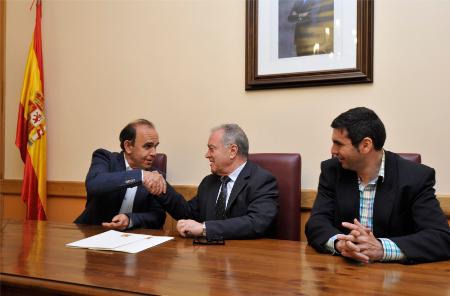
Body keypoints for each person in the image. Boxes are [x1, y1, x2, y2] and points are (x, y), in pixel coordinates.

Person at [305, 107, 450, 264]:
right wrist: (340, 244)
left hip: (398, 279)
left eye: (339, 144)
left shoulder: (416, 177)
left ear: (366, 145)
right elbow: (316, 223)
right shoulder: (332, 170)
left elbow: (440, 237)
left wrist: (381, 249)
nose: (332, 151)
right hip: (343, 273)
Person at [155, 124, 279, 240]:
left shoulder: (262, 181)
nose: (206, 155)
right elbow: (188, 212)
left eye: (211, 149)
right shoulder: (209, 182)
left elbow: (256, 222)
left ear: (232, 151)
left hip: (248, 257)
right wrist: (161, 188)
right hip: (210, 256)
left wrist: (205, 229)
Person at [74, 119, 167, 230]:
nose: (154, 153)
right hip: (92, 232)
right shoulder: (105, 158)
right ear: (128, 146)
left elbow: (158, 217)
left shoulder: (156, 176)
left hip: (131, 239)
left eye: (155, 146)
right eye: (147, 146)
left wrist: (130, 220)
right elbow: (94, 184)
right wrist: (140, 176)